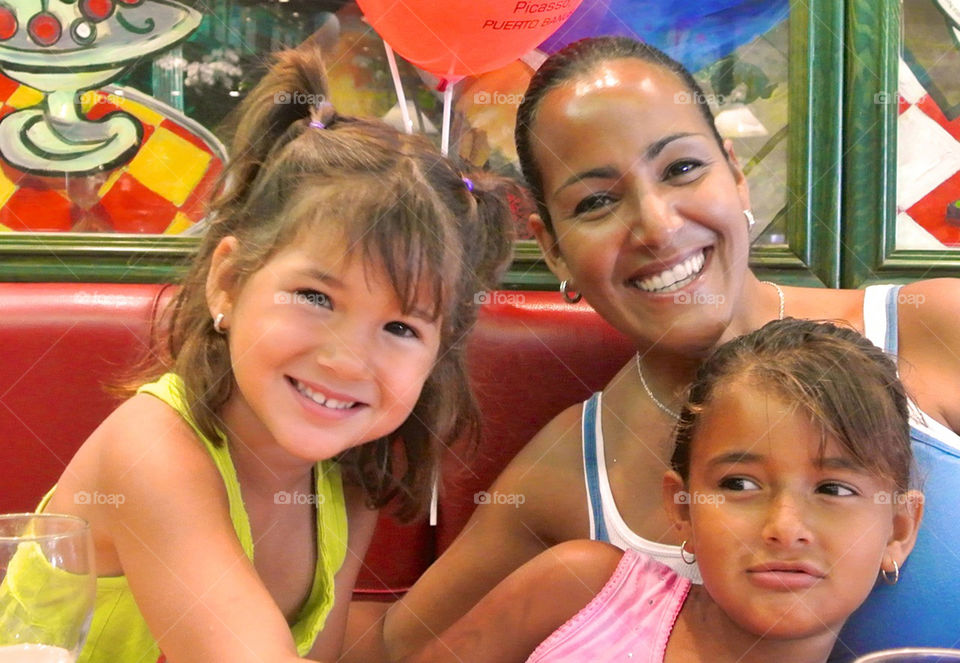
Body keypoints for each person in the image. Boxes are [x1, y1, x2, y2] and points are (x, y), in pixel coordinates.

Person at [366, 36, 960, 661]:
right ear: (552, 248)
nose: (658, 226)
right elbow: (394, 647)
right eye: (596, 202)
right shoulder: (565, 475)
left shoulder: (934, 329)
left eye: (681, 169)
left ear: (735, 174)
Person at [23, 41, 513, 663]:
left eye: (400, 329)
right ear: (228, 282)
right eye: (314, 296)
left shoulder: (349, 477)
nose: (346, 361)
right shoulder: (152, 449)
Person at [402, 318, 924, 663]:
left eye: (833, 488)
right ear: (682, 507)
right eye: (739, 484)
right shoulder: (580, 590)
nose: (785, 528)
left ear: (899, 529)